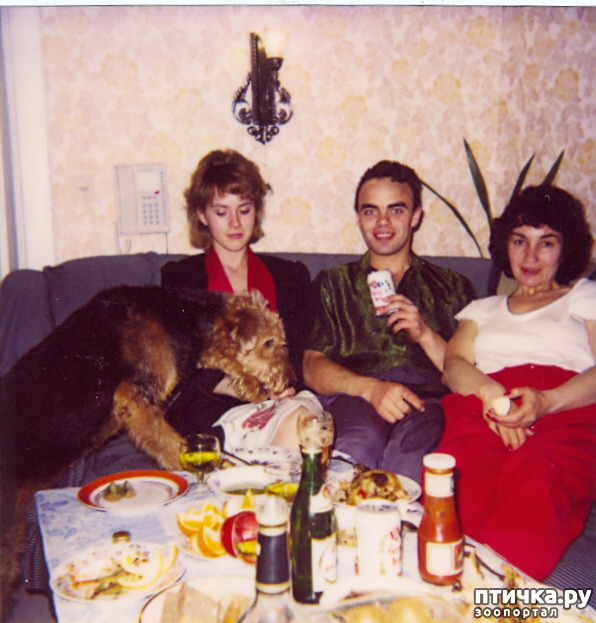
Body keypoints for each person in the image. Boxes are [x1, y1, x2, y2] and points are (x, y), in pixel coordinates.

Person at [436, 184, 596, 581]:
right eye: (520, 240)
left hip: (564, 410)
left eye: (547, 243)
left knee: (537, 477)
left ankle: (495, 599)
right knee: (461, 482)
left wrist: (546, 402)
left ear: (566, 249)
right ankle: (442, 589)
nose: (530, 256)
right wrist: (492, 395)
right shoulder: (482, 309)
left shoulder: (583, 297)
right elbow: (454, 365)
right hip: (487, 408)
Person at [303, 160, 476, 481]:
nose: (382, 222)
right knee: (356, 450)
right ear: (358, 218)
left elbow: (468, 371)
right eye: (370, 211)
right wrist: (371, 389)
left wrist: (424, 333)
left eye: (396, 210)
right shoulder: (333, 284)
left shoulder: (454, 287)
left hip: (428, 403)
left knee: (412, 463)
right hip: (356, 397)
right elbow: (311, 366)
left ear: (416, 216)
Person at [161, 149, 321, 451]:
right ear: (202, 215)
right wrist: (246, 389)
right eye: (222, 212)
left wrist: (283, 386)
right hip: (211, 404)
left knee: (303, 422)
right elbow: (181, 365)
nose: (235, 223)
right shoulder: (180, 278)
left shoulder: (290, 276)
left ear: (255, 211)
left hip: (280, 400)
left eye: (244, 210)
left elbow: (299, 355)